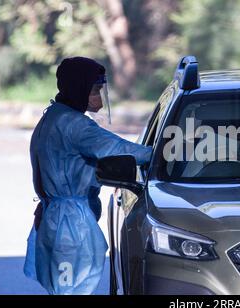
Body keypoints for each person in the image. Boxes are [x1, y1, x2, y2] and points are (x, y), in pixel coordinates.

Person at [23, 57, 152, 294]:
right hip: (69, 226)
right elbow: (120, 149)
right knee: (71, 289)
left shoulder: (53, 116)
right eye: (94, 90)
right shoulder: (74, 125)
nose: (99, 99)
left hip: (57, 217)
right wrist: (163, 154)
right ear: (78, 87)